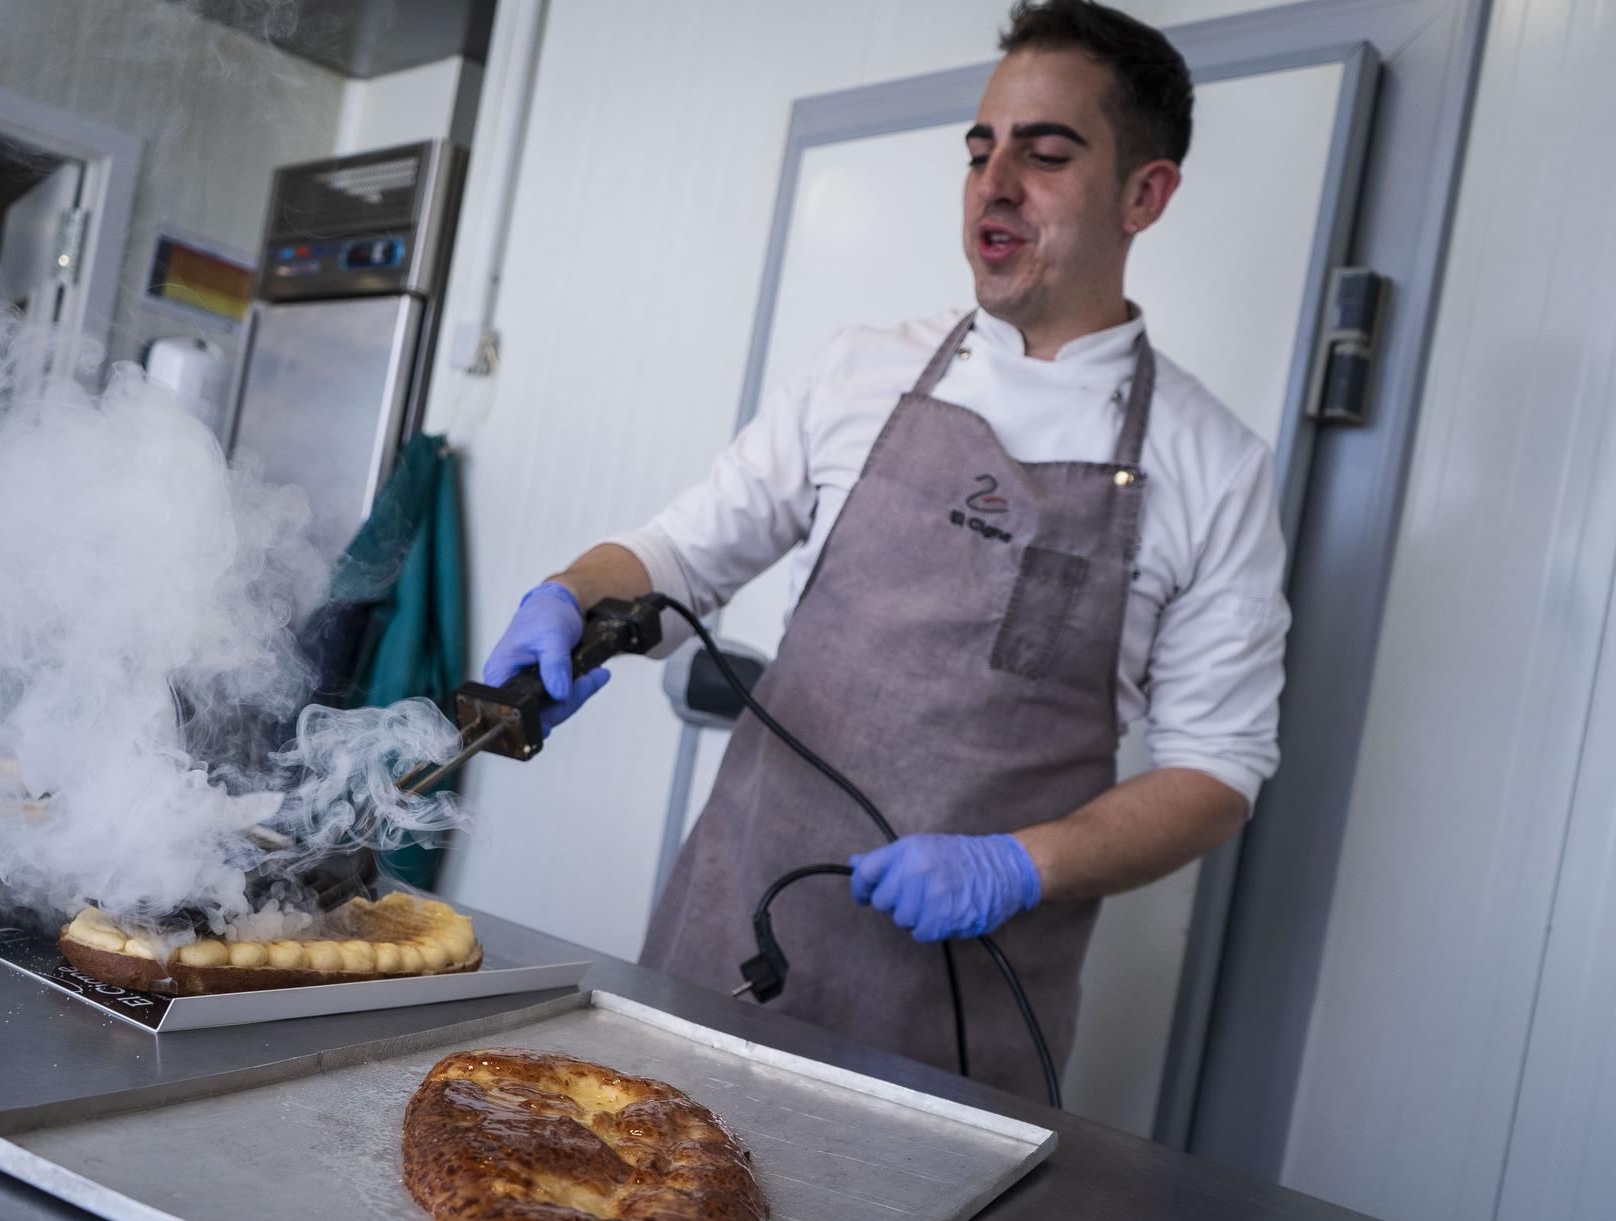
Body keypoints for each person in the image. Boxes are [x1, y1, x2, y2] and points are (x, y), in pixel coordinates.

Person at [483, 0, 1290, 1096]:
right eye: (978, 150)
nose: (992, 185)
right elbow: (681, 552)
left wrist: (1018, 863)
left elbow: (1215, 770)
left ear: (1144, 193)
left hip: (958, 1012)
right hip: (735, 935)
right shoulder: (859, 369)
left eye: (1044, 154)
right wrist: (569, 596)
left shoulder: (1213, 467)